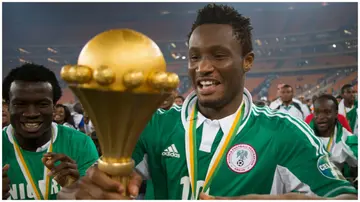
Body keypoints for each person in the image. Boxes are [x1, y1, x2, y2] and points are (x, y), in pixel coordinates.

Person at [58, 4, 357, 200]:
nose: (202, 67)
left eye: (219, 55)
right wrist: (82, 191)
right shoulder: (155, 126)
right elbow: (105, 184)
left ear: (247, 61)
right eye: (195, 57)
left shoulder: (283, 132)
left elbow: (344, 196)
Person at [2, 63, 99, 200]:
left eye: (42, 104)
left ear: (54, 107)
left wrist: (78, 190)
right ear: (7, 106)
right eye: (20, 104)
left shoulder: (80, 143)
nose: (31, 113)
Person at [308, 94, 357, 181]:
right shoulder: (303, 137)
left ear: (336, 114)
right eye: (317, 112)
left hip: (335, 189)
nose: (321, 117)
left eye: (327, 112)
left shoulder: (347, 139)